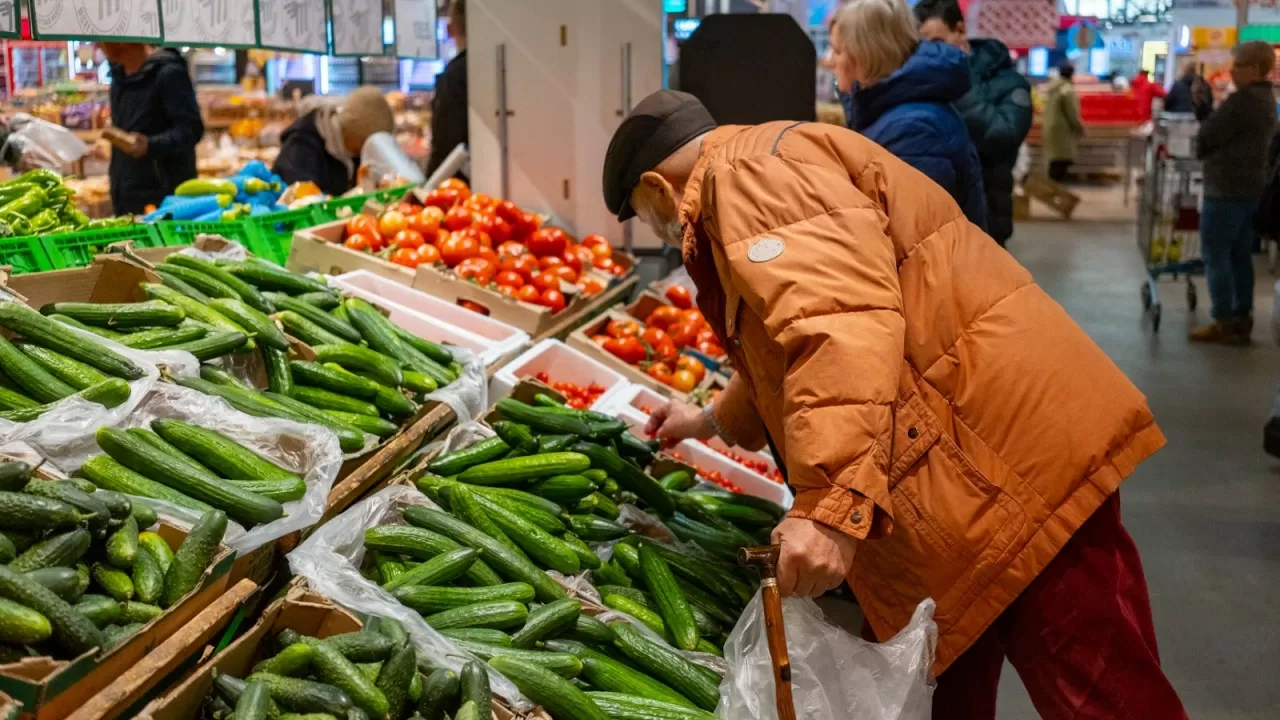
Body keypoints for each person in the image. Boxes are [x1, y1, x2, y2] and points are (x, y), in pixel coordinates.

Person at [602, 89, 1187, 719]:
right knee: (952, 693)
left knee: (1100, 691)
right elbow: (794, 336)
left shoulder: (747, 178)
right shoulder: (761, 162)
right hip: (964, 466)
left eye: (646, 214)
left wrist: (830, 507)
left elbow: (842, 327)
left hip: (1010, 468)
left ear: (660, 188)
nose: (661, 231)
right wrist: (715, 417)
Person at [830, 0, 986, 230]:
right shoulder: (891, 108)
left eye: (837, 51)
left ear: (864, 54)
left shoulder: (915, 129)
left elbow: (909, 234)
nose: (830, 60)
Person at [914, 0, 1031, 246]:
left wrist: (958, 85)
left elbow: (1004, 136)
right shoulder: (921, 82)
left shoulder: (1008, 82)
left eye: (937, 43)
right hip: (932, 230)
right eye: (921, 47)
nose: (931, 55)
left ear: (960, 30)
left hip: (987, 229)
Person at [1189, 41, 1279, 344]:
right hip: (1252, 189)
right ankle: (1243, 316)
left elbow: (1207, 139)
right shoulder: (1267, 101)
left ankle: (1223, 320)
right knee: (1240, 255)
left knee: (1215, 254)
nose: (1232, 70)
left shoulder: (1241, 101)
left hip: (1225, 188)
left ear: (1254, 69)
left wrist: (1202, 111)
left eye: (1237, 65)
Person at [99, 43, 203, 215]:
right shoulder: (119, 79)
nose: (97, 46)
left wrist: (150, 145)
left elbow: (191, 129)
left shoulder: (168, 74)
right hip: (126, 194)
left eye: (101, 40)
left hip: (163, 198)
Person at [273, 87, 395, 197]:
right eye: (367, 144)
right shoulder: (301, 147)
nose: (367, 150)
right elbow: (302, 201)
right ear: (354, 135)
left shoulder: (350, 153)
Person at [427, 0, 469, 178]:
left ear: (450, 29)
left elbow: (444, 145)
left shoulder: (454, 77)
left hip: (459, 188)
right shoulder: (498, 68)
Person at [1042, 62, 1084, 182]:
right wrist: (1079, 128)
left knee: (1055, 159)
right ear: (1072, 74)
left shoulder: (1053, 88)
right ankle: (1055, 189)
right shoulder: (1067, 90)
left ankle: (1053, 187)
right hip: (1062, 130)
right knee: (1062, 160)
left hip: (1050, 128)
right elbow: (1072, 113)